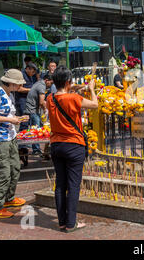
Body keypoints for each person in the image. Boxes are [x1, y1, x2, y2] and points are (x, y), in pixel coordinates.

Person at [46, 66, 98, 232]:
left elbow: (64, 92)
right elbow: (95, 105)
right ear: (68, 82)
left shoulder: (50, 99)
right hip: (73, 145)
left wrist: (76, 87)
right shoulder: (74, 98)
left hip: (56, 145)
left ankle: (62, 221)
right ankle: (71, 223)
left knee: (60, 184)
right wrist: (91, 89)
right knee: (73, 185)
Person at [0, 69, 29, 218]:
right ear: (11, 83)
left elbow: (8, 114)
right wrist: (11, 120)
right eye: (18, 84)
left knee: (15, 168)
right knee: (3, 172)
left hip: (10, 136)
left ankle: (8, 198)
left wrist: (19, 118)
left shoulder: (9, 95)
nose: (20, 87)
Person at [24, 73, 54, 158]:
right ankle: (36, 150)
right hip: (32, 110)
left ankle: (36, 149)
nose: (51, 85)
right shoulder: (41, 86)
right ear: (46, 80)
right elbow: (41, 102)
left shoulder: (39, 83)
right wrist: (46, 109)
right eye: (50, 83)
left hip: (32, 109)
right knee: (36, 129)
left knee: (36, 129)